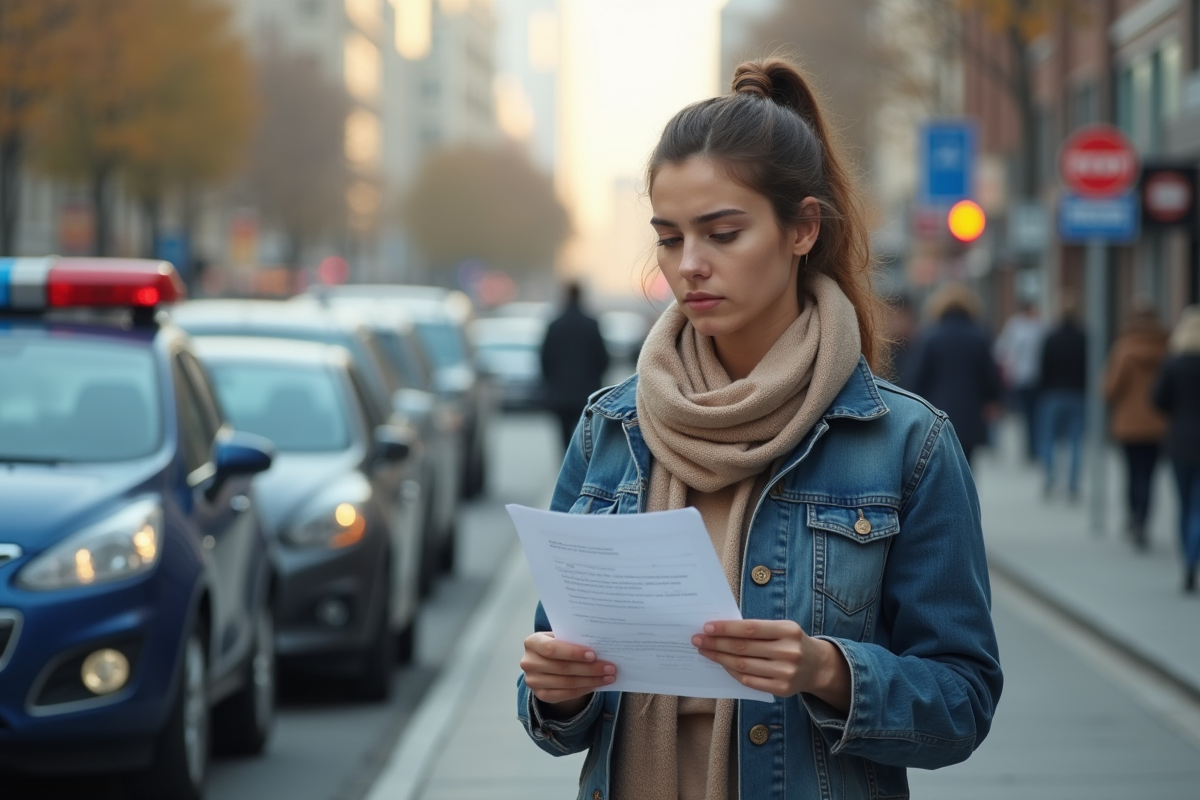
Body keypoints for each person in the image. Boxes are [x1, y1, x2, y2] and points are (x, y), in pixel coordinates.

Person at [517, 59, 1002, 800]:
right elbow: (554, 703)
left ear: (802, 228)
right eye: (671, 238)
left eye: (722, 233)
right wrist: (556, 689)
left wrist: (828, 671)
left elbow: (962, 701)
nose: (690, 266)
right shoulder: (610, 427)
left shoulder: (907, 443)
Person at [901, 283, 1003, 467]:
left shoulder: (930, 337)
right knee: (967, 463)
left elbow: (916, 376)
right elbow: (990, 376)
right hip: (971, 412)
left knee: (940, 464)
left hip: (937, 412)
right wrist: (993, 400)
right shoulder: (979, 337)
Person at [1103, 305, 1169, 550]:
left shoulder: (1124, 348)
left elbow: (1110, 388)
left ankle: (1134, 518)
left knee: (1132, 473)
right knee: (1150, 475)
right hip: (1157, 424)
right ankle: (1144, 519)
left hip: (1129, 425)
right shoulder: (1167, 347)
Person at [1152, 305, 1200, 593]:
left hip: (1180, 441)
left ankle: (1188, 561)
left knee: (1184, 506)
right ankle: (1194, 556)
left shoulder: (1173, 363)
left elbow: (1158, 399)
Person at [540, 281, 610, 450]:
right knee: (586, 437)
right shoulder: (591, 325)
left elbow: (544, 359)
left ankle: (567, 470)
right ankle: (582, 470)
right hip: (586, 393)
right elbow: (604, 358)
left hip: (560, 394)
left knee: (564, 438)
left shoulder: (555, 325)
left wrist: (551, 383)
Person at [1038, 300, 1088, 500]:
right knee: (1076, 441)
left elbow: (1044, 366)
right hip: (1077, 394)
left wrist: (1043, 390)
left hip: (1053, 394)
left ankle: (1050, 480)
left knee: (1049, 438)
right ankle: (1073, 485)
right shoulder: (1084, 338)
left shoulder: (1052, 337)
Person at [993, 300, 1045, 462]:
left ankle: (1034, 448)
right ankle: (1030, 448)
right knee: (1024, 415)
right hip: (1020, 377)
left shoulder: (1040, 326)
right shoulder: (1015, 325)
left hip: (1037, 378)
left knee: (1035, 415)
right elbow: (1002, 350)